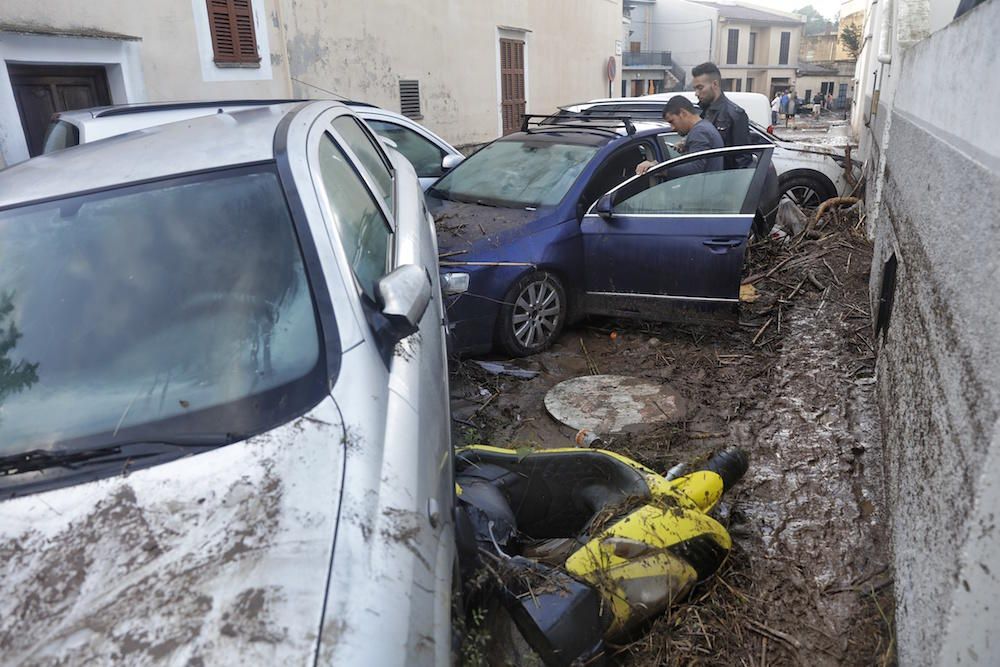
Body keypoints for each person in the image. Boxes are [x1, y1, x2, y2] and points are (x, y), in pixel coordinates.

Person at [634, 95, 723, 177]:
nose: (672, 128)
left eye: (672, 121)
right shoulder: (704, 127)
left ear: (683, 113)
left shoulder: (700, 132)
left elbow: (695, 168)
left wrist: (658, 168)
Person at [690, 62, 751, 168]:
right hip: (705, 176)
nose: (696, 93)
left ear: (715, 84)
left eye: (700, 88)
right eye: (695, 88)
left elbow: (742, 159)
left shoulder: (735, 114)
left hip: (724, 179)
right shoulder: (703, 112)